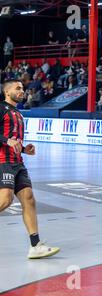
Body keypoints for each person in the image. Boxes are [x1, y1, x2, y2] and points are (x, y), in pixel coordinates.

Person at [0, 79, 60, 259]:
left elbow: (13, 140)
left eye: (22, 88)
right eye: (17, 88)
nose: (22, 91)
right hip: (3, 161)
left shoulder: (18, 112)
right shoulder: (1, 108)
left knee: (29, 199)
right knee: (5, 200)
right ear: (6, 92)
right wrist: (7, 141)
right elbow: (6, 139)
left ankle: (36, 246)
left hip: (18, 162)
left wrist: (25, 149)